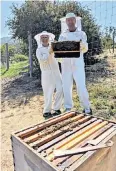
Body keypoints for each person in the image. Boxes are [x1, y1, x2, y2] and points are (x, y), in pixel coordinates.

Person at [58, 13, 92, 114]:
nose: (70, 22)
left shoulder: (82, 34)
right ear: (66, 22)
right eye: (68, 20)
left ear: (75, 20)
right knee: (66, 86)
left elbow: (85, 49)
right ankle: (68, 108)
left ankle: (87, 108)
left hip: (78, 64)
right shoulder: (62, 35)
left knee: (81, 86)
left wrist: (82, 45)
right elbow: (59, 49)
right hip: (66, 64)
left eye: (72, 20)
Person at [34, 31, 63, 118]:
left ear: (49, 38)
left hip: (56, 71)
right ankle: (47, 111)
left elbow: (60, 58)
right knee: (48, 92)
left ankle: (57, 108)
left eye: (46, 37)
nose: (44, 39)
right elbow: (43, 60)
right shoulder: (39, 50)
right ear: (40, 39)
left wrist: (58, 50)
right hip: (46, 73)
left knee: (60, 89)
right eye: (43, 38)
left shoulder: (54, 48)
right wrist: (49, 51)